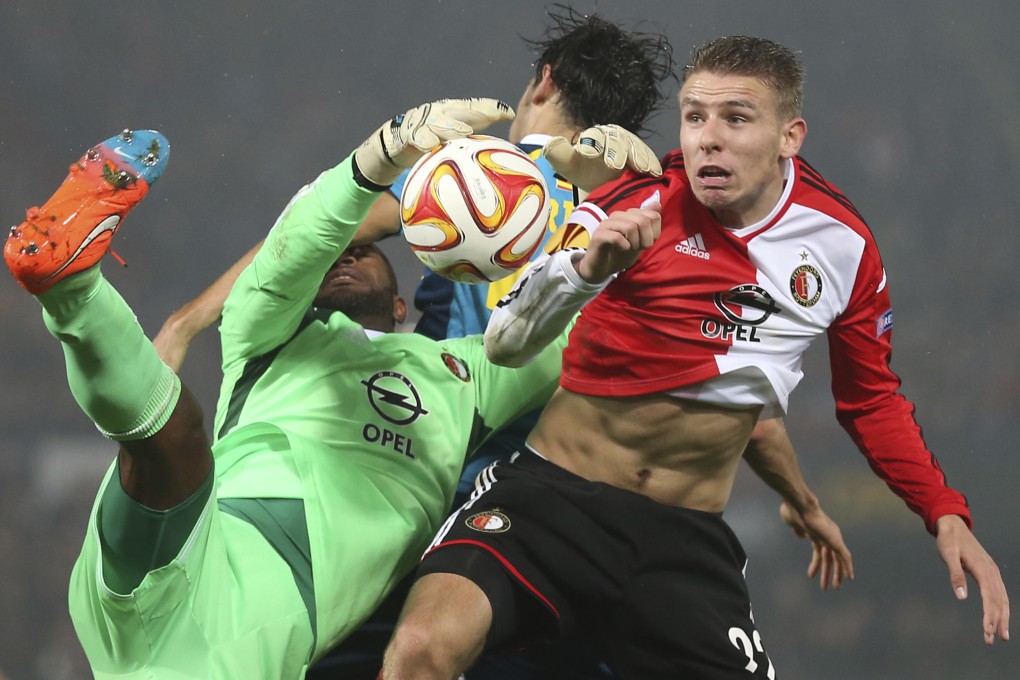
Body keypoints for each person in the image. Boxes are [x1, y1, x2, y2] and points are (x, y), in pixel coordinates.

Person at [380, 36, 1010, 680]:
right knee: (422, 645)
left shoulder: (841, 245)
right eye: (695, 116)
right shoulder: (635, 197)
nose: (708, 138)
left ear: (790, 136)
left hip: (681, 543)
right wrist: (588, 267)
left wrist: (942, 511)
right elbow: (506, 342)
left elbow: (868, 398)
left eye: (736, 118)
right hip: (551, 504)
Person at [2, 98, 585, 678]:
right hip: (195, 543)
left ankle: (73, 291)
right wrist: (371, 163)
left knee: (171, 437)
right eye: (336, 252)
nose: (348, 252)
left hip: (249, 628)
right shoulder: (268, 333)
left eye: (366, 250)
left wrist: (619, 204)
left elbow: (582, 329)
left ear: (403, 300)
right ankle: (72, 288)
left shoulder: (468, 374)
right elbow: (293, 247)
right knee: (173, 435)